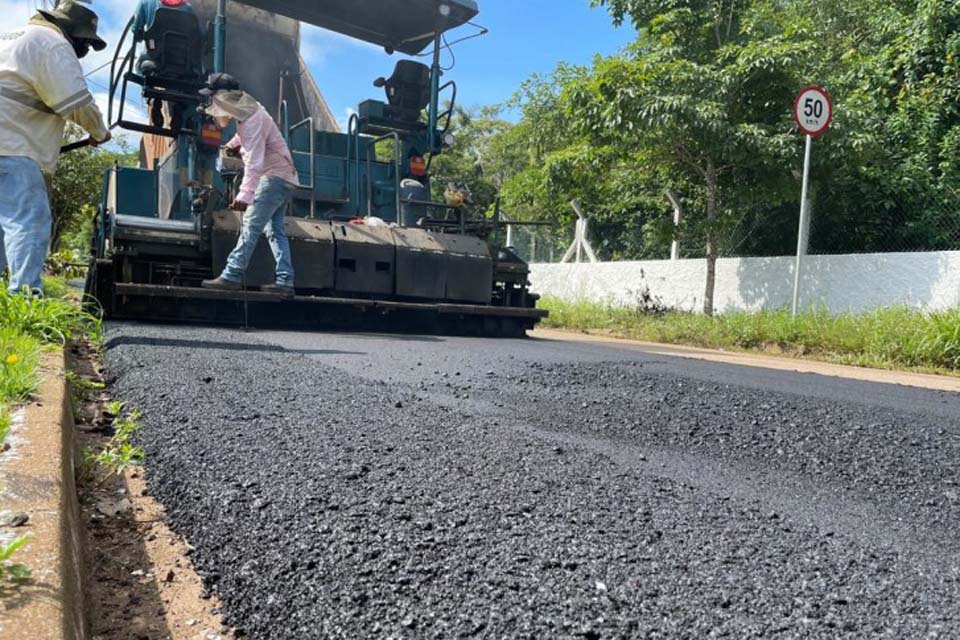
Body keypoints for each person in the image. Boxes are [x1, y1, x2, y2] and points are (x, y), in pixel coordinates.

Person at [0, 1, 111, 295]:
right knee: (29, 221)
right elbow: (75, 101)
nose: (85, 50)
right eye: (85, 42)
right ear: (72, 31)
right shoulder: (52, 43)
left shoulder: (12, 36)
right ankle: (23, 299)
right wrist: (99, 131)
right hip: (13, 145)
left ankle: (5, 298)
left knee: (5, 225)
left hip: (7, 139)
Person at [200, 74, 299, 296]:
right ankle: (285, 281)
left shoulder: (253, 119)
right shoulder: (250, 110)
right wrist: (233, 144)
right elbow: (245, 135)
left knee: (251, 226)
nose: (214, 104)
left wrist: (245, 194)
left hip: (273, 177)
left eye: (215, 98)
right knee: (275, 232)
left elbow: (254, 161)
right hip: (285, 178)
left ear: (224, 97)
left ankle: (231, 275)